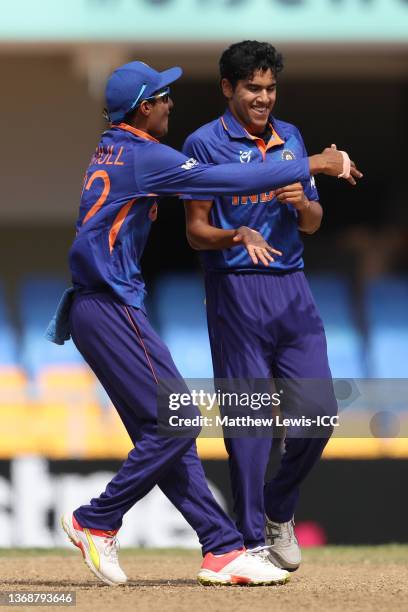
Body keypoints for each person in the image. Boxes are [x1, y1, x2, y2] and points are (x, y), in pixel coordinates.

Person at [50, 59, 361, 587]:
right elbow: (227, 179)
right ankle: (96, 519)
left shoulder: (116, 147)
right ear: (143, 108)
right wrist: (313, 163)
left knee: (167, 432)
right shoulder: (145, 156)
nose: (173, 102)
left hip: (99, 306)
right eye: (164, 96)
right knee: (181, 422)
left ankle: (220, 547)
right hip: (110, 306)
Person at [182, 41, 362, 571]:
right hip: (236, 290)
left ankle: (278, 509)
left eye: (270, 89)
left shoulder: (292, 140)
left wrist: (302, 203)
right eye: (252, 89)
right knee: (251, 422)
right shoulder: (203, 143)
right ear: (228, 89)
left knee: (320, 413)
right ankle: (247, 541)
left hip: (293, 290)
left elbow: (313, 222)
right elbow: (194, 232)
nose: (263, 99)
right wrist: (234, 234)